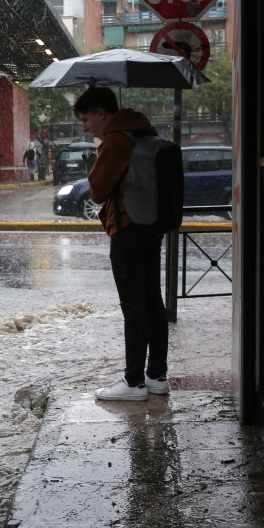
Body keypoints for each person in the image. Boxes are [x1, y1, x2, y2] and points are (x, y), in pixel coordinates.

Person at [73, 87, 169, 401]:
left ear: (102, 112)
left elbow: (97, 193)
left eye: (86, 119)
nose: (85, 126)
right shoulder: (143, 132)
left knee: (133, 307)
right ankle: (156, 376)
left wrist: (96, 163)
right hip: (150, 226)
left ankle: (133, 383)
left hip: (127, 229)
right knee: (152, 301)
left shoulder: (115, 141)